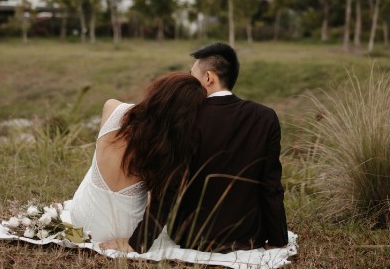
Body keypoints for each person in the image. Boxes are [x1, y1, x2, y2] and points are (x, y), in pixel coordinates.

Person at [102, 42, 288, 253]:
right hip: (248, 237)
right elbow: (271, 185)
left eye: (192, 75)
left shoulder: (187, 117)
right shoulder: (265, 117)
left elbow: (169, 188)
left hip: (193, 237)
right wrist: (278, 238)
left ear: (209, 78)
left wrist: (138, 243)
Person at [65, 72, 206, 242]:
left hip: (83, 222)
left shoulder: (112, 107)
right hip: (127, 232)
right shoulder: (168, 150)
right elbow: (162, 203)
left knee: (98, 167)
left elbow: (140, 116)